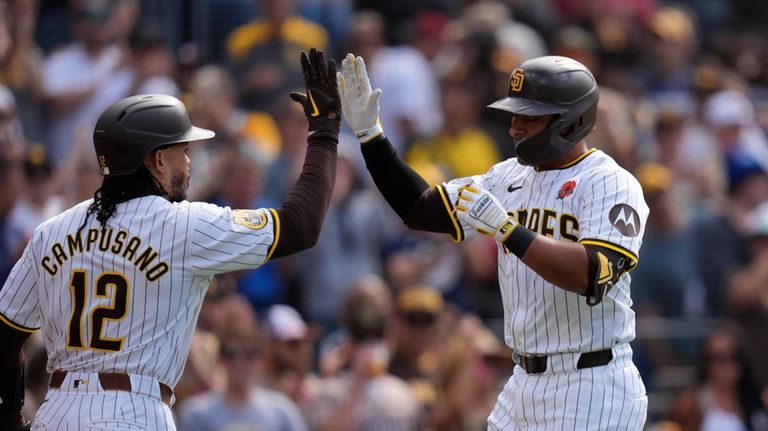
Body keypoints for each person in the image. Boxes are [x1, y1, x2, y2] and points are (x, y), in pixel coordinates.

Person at [0, 47, 340, 430]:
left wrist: (9, 418)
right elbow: (302, 226)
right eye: (184, 150)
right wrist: (324, 132)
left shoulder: (52, 230)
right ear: (157, 160)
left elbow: (5, 334)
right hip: (135, 413)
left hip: (58, 411)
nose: (190, 160)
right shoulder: (185, 225)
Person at [337, 53, 650, 429]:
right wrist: (371, 137)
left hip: (591, 382)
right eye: (514, 114)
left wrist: (508, 231)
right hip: (522, 380)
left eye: (529, 116)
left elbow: (593, 273)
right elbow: (419, 209)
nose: (515, 127)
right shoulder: (505, 178)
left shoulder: (610, 182)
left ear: (570, 120)